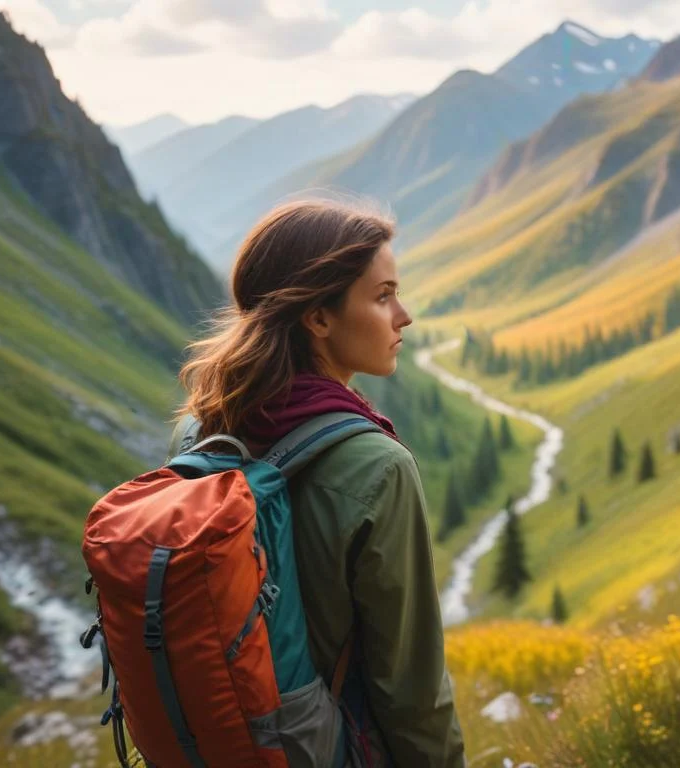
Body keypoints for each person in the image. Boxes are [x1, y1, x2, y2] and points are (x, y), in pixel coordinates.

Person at [176, 200, 465, 766]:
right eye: (382, 296)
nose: (403, 315)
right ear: (318, 318)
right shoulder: (377, 466)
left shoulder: (198, 433)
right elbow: (411, 689)